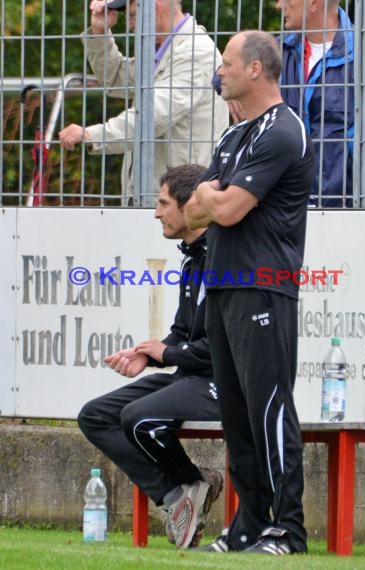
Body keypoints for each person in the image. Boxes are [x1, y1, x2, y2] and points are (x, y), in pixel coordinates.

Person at [185, 31, 314, 555]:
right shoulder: (232, 134)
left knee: (269, 410)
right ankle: (248, 526)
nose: (220, 71)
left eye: (227, 62)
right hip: (222, 285)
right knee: (236, 416)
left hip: (264, 288)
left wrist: (212, 196)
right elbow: (193, 213)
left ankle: (289, 529)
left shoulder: (283, 131)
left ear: (256, 70)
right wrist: (209, 196)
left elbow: (229, 208)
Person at [77, 163, 223, 549]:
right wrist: (149, 355)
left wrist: (169, 352)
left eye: (162, 203)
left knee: (139, 417)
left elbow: (223, 346)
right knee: (95, 415)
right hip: (191, 375)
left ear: (190, 205)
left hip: (222, 382)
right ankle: (180, 496)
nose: (156, 212)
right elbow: (182, 333)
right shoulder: (192, 258)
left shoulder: (225, 259)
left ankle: (193, 487)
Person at [59, 0, 228, 204]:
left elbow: (151, 117)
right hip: (162, 197)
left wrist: (90, 135)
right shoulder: (164, 50)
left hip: (182, 202)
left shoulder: (194, 54)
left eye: (131, 16)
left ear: (154, 9)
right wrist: (99, 32)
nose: (129, 25)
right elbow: (115, 78)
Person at [275, 0, 365, 207]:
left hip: (362, 205)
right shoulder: (276, 54)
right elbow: (228, 74)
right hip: (296, 205)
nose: (279, 5)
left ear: (313, 3)